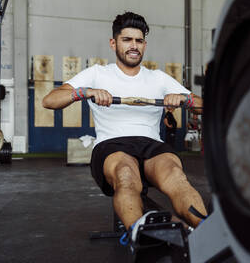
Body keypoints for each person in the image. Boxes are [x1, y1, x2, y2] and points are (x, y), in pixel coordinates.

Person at [42, 12, 207, 245]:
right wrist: (85, 92)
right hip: (112, 145)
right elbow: (49, 101)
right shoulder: (97, 73)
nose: (134, 46)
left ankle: (205, 232)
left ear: (144, 45)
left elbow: (203, 107)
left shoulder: (159, 78)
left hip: (151, 145)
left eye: (139, 41)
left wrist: (183, 99)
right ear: (114, 43)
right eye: (127, 40)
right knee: (126, 175)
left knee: (176, 176)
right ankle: (140, 237)